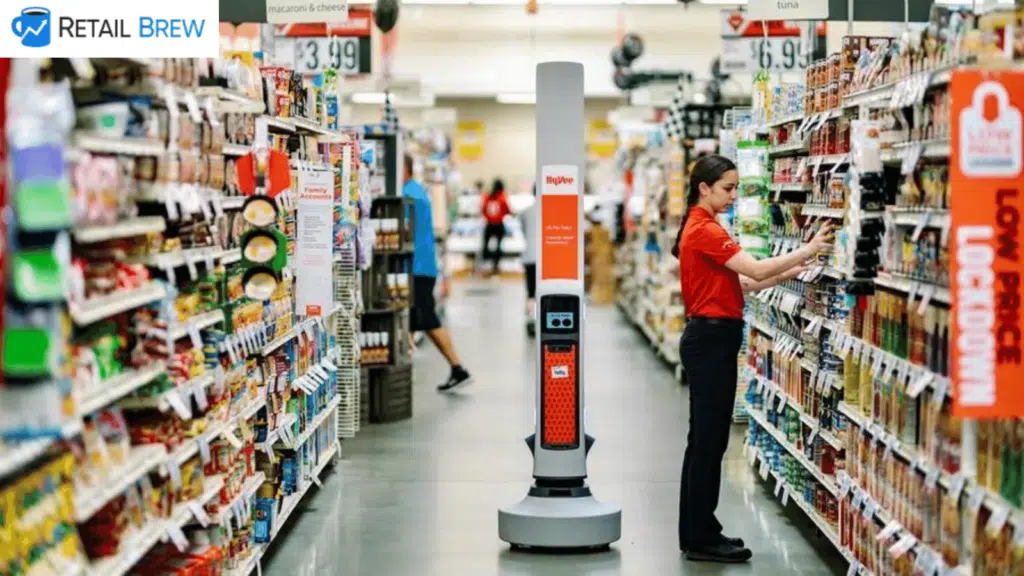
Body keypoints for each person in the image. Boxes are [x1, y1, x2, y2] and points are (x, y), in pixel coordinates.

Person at [674, 154, 832, 564]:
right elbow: (755, 269)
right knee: (708, 443)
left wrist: (792, 273)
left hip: (710, 336)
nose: (733, 195)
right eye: (727, 188)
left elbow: (741, 283)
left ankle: (698, 530)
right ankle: (701, 536)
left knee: (704, 442)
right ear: (703, 188)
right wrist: (807, 249)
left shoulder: (701, 227)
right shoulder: (704, 228)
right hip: (710, 341)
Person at [402, 154, 473, 392]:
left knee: (426, 318)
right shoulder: (416, 191)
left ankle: (458, 367)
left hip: (417, 268)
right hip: (421, 266)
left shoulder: (408, 195)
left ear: (405, 169)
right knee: (413, 318)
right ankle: (406, 368)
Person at [480, 179, 511, 276]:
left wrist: (488, 217)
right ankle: (495, 266)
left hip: (489, 225)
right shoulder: (502, 197)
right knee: (498, 246)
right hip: (498, 225)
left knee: (485, 245)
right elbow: (507, 210)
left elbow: (483, 210)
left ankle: (485, 264)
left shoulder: (488, 196)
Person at [519, 184, 539, 336]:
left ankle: (532, 319)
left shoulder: (525, 212)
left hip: (530, 256)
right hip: (548, 259)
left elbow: (524, 232)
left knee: (531, 291)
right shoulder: (553, 211)